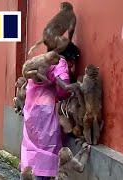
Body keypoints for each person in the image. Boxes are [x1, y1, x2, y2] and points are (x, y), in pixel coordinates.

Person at [20, 42, 80, 179]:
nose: (72, 67)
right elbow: (63, 86)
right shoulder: (60, 61)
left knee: (30, 147)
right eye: (73, 62)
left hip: (31, 109)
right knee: (47, 150)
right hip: (45, 111)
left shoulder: (40, 61)